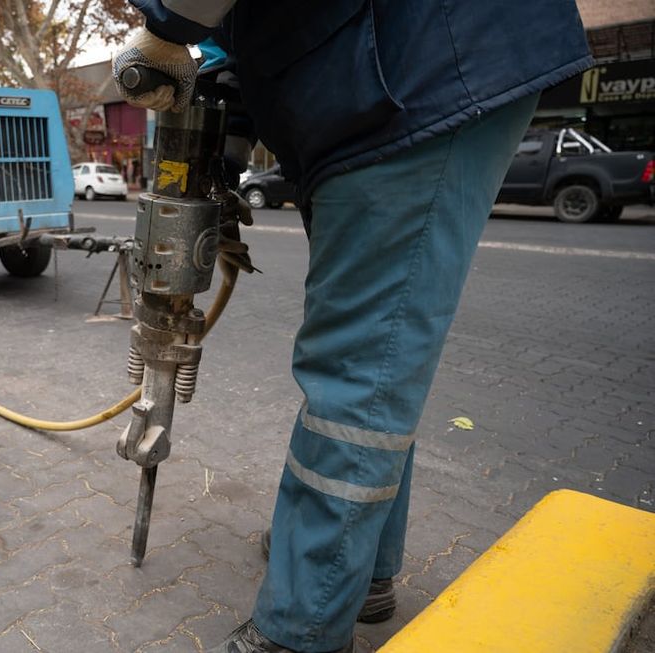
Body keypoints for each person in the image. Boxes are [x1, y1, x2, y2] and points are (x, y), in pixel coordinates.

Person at [113, 2, 592, 652]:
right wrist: (220, 137)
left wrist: (168, 27)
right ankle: (355, 570)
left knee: (359, 371)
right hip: (364, 92)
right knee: (380, 357)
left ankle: (302, 628)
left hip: (416, 73)